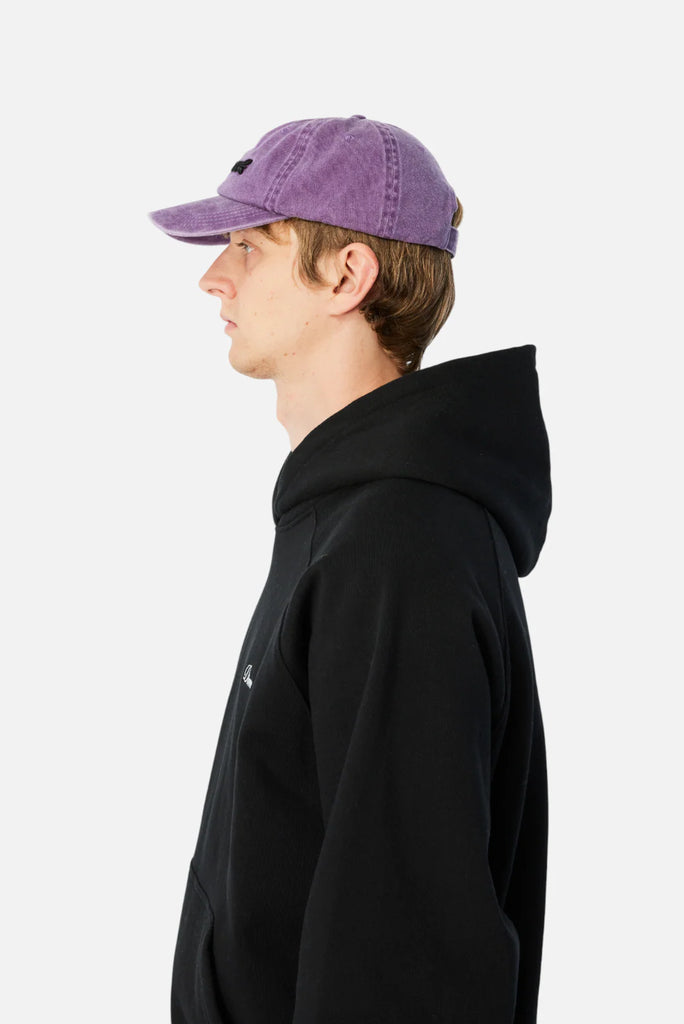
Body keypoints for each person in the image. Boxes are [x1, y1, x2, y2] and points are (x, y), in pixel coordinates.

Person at [147, 114, 552, 1024]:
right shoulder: (349, 521)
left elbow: (409, 959)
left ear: (347, 274)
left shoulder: (399, 546)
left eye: (248, 247)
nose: (214, 278)